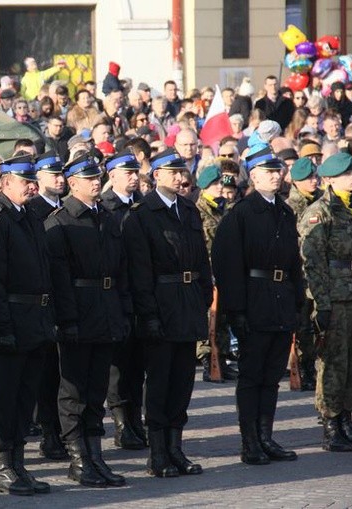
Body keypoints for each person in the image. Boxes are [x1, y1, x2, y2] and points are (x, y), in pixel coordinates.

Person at [122, 148, 213, 478]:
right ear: (155, 175)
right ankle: (158, 453)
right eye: (172, 171)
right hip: (161, 305)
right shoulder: (142, 214)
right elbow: (140, 271)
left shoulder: (188, 210)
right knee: (159, 383)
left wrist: (203, 297)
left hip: (187, 303)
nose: (180, 175)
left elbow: (201, 260)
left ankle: (176, 448)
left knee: (182, 383)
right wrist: (149, 314)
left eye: (182, 170)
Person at [212, 145, 302, 466]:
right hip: (254, 301)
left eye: (278, 170)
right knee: (251, 376)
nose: (276, 176)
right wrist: (237, 312)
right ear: (253, 176)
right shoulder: (240, 215)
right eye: (269, 171)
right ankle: (250, 440)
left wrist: (298, 303)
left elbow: (294, 264)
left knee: (271, 375)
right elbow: (227, 266)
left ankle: (266, 435)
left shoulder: (284, 211)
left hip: (281, 300)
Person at [45, 152, 129, 489]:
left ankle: (95, 454)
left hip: (105, 311)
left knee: (97, 390)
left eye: (98, 177)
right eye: (89, 178)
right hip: (78, 312)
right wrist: (68, 320)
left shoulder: (106, 218)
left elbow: (119, 271)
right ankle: (78, 458)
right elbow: (59, 278)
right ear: (73, 183)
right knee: (74, 391)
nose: (97, 182)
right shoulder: (60, 221)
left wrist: (121, 312)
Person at [0, 154, 55, 496]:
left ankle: (19, 463)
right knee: (5, 398)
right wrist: (0, 328)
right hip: (9, 323)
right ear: (6, 183)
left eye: (33, 180)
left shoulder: (31, 217)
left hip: (34, 321)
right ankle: (3, 465)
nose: (32, 186)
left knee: (25, 397)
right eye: (25, 181)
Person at [299, 152, 352, 452]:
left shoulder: (351, 208)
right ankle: (331, 424)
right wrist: (321, 304)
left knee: (351, 361)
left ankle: (346, 419)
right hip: (333, 295)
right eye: (347, 174)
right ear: (331, 179)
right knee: (332, 362)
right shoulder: (320, 211)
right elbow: (313, 262)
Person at [22, 151, 68, 461]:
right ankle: (50, 433)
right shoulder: (34, 211)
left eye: (62, 174)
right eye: (54, 175)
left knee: (63, 375)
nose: (60, 179)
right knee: (47, 376)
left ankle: (60, 432)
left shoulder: (63, 210)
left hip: (61, 302)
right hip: (41, 304)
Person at [100, 152, 147, 451]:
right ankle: (120, 422)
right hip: (117, 293)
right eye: (126, 172)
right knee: (117, 366)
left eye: (135, 172)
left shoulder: (142, 206)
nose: (133, 176)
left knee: (137, 365)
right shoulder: (107, 208)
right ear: (112, 176)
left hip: (141, 293)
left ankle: (134, 418)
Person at [193, 165, 237, 382]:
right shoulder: (198, 211)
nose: (221, 187)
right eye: (216, 184)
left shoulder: (227, 209)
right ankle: (208, 360)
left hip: (226, 272)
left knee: (223, 319)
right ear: (205, 187)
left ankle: (222, 358)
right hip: (207, 272)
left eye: (222, 183)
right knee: (208, 319)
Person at [285, 157, 323, 392]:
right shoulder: (290, 206)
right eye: (308, 178)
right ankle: (303, 367)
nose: (314, 181)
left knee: (316, 325)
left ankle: (313, 368)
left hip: (318, 275)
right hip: (299, 274)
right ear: (297, 181)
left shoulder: (321, 202)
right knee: (302, 326)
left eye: (315, 176)